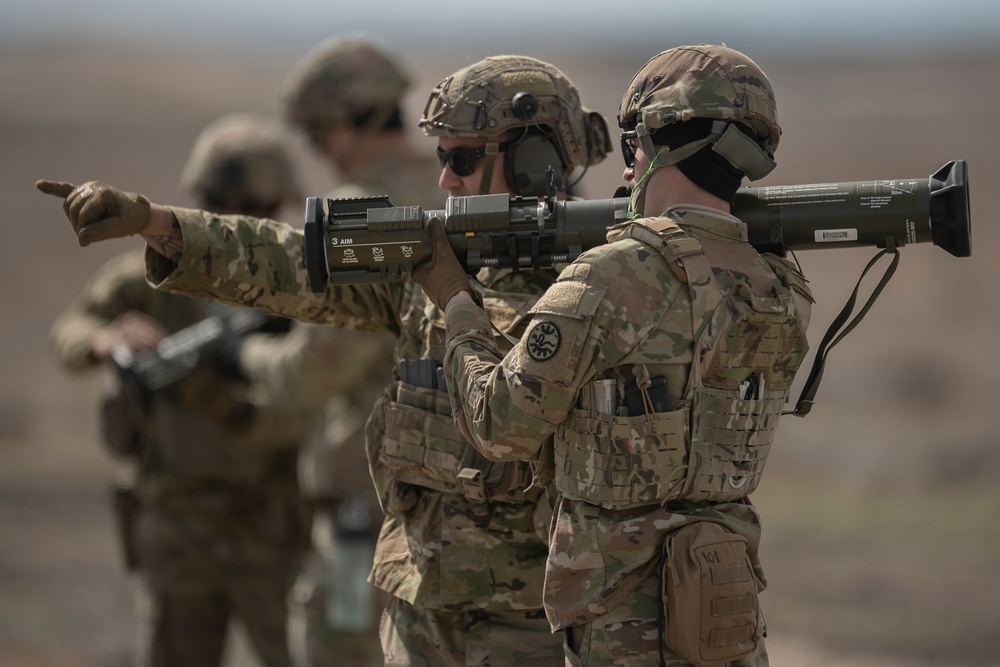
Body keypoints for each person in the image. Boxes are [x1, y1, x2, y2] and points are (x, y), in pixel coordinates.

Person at [38, 54, 612, 667]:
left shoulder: (606, 289)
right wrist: (155, 222)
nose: (446, 180)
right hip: (427, 621)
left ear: (532, 161)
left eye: (463, 158)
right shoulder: (431, 254)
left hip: (538, 629)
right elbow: (294, 259)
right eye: (442, 156)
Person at [410, 45, 814, 667]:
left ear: (650, 143)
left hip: (624, 628)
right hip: (722, 616)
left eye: (634, 145)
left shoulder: (610, 276)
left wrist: (457, 304)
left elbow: (498, 426)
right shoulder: (782, 286)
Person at [49, 113, 315, 667]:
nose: (242, 220)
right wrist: (106, 341)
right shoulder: (151, 275)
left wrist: (231, 403)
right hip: (178, 526)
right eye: (226, 203)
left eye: (259, 209)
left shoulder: (304, 283)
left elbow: (322, 386)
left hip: (269, 524)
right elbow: (70, 334)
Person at [245, 34, 442, 667]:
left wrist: (248, 363)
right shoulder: (463, 192)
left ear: (341, 123)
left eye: (315, 137)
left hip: (374, 507)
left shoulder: (357, 215)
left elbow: (317, 368)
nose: (320, 155)